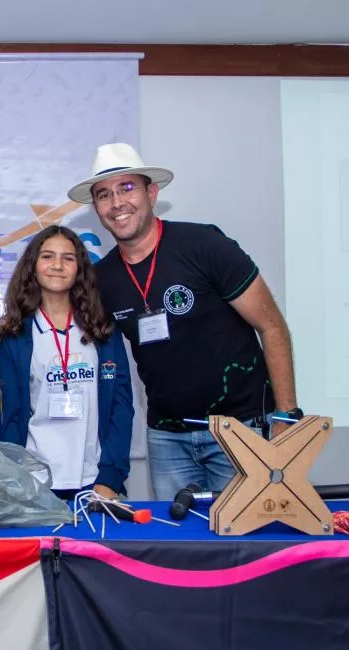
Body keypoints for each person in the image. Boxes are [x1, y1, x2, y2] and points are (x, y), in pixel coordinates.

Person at [68, 142, 299, 500]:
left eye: (127, 188)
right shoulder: (102, 279)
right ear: (96, 208)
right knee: (177, 549)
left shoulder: (205, 245)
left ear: (152, 191)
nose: (117, 203)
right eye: (103, 195)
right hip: (166, 438)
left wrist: (286, 416)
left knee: (246, 547)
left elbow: (271, 326)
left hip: (239, 431)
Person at [0, 226, 134, 500]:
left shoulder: (102, 330)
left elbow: (121, 405)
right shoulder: (15, 338)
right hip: (37, 485)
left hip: (96, 483)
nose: (57, 265)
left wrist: (110, 477)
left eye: (68, 258)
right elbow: (10, 418)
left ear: (80, 269)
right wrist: (18, 480)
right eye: (47, 256)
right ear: (33, 266)